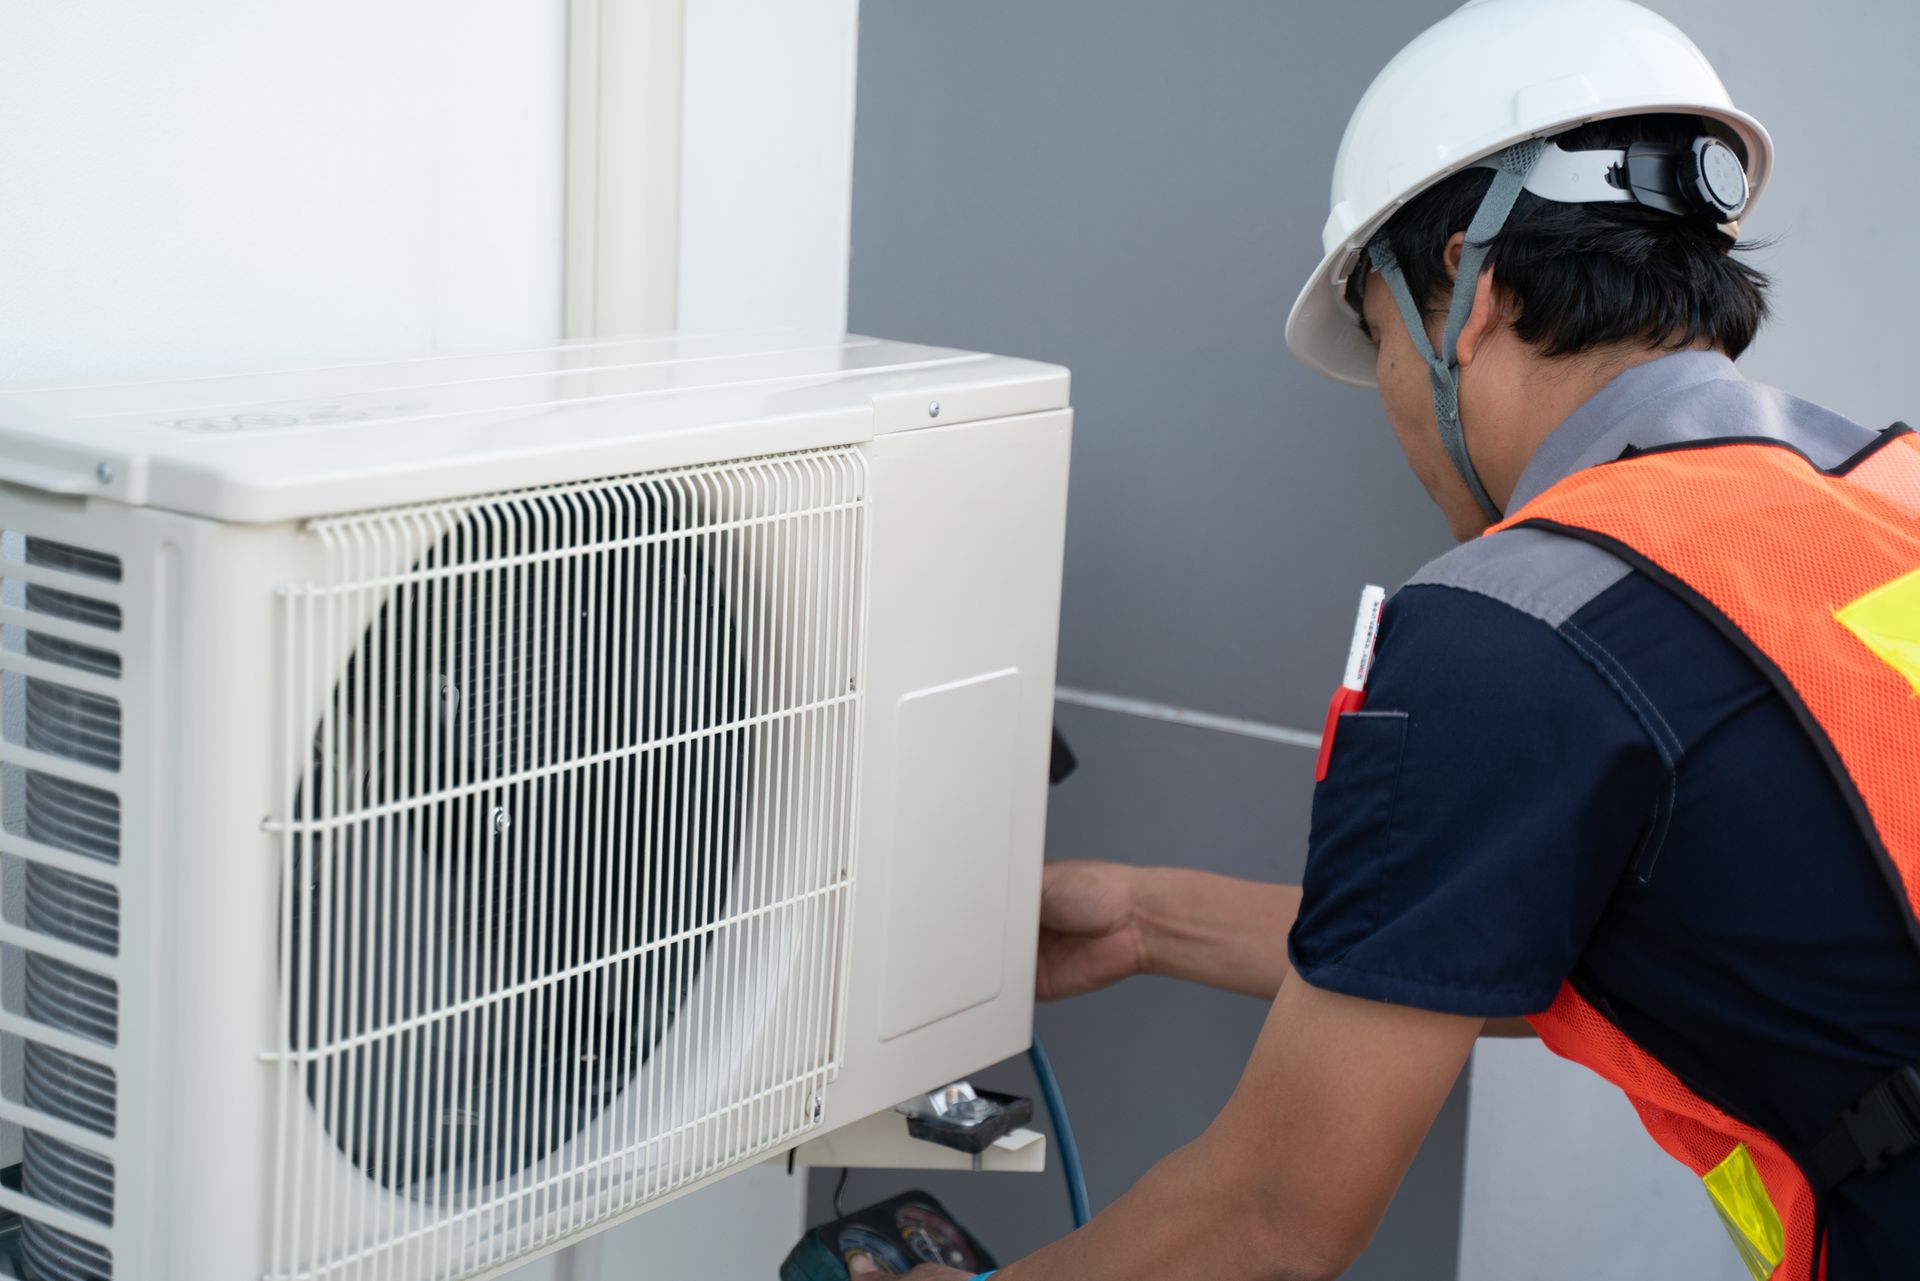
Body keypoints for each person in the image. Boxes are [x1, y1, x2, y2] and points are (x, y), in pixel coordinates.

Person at [895, 1, 1920, 1278]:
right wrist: (1146, 921)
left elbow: (1267, 1224)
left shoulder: (1519, 624)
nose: (1388, 396)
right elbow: (1640, 927)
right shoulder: (1882, 495)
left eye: (1377, 338)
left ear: (1468, 299)